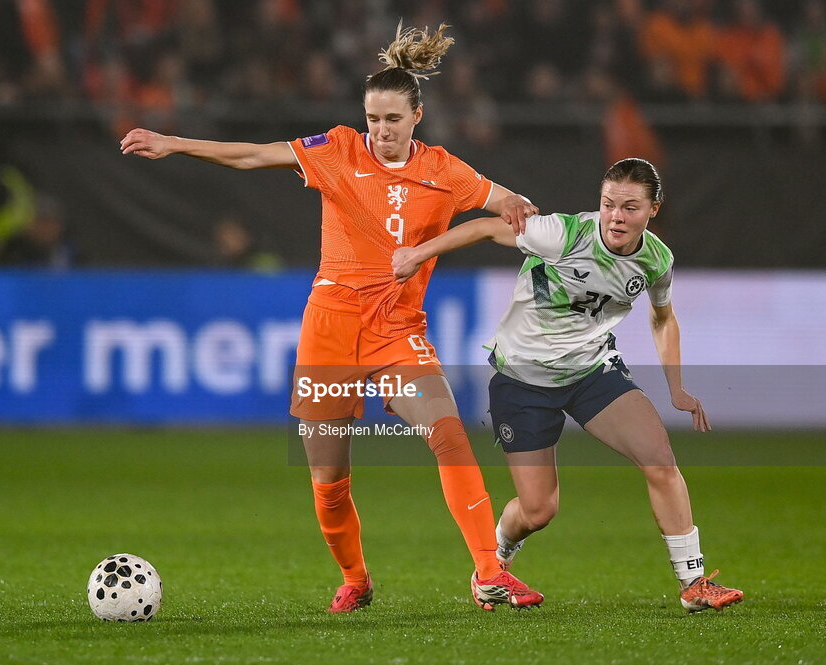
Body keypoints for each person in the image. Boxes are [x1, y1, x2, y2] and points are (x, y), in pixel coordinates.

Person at [121, 22, 544, 612]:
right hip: (331, 328)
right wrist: (177, 142)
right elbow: (255, 155)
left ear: (417, 116)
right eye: (373, 117)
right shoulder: (339, 151)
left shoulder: (444, 170)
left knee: (448, 433)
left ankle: (487, 572)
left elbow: (505, 206)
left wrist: (524, 211)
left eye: (393, 119)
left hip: (397, 330)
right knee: (327, 482)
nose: (381, 130)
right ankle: (356, 578)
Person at [392, 158, 745, 613]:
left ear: (654, 209)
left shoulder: (656, 259)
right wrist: (417, 254)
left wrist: (675, 387)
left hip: (591, 371)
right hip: (522, 378)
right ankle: (493, 564)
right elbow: (484, 228)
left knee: (659, 459)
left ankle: (693, 583)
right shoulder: (564, 234)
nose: (616, 216)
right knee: (539, 510)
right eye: (609, 205)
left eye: (630, 208)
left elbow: (663, 317)